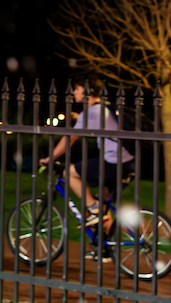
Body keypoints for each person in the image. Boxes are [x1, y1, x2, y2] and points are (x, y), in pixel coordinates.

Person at [40, 80, 135, 241]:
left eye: (77, 89)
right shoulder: (104, 108)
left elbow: (70, 139)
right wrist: (79, 118)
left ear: (88, 92)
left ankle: (94, 209)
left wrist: (50, 158)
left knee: (70, 173)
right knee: (103, 206)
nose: (74, 92)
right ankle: (104, 247)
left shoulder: (91, 112)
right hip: (129, 163)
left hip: (114, 163)